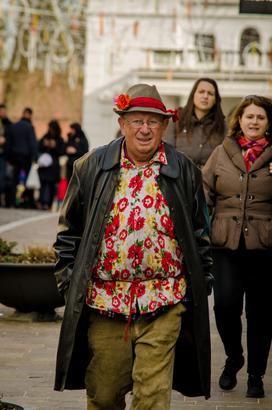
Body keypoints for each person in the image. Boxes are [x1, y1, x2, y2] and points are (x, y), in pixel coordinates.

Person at [53, 83, 214, 409]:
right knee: (104, 394)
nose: (144, 129)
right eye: (136, 121)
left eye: (152, 121)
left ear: (164, 126)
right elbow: (68, 234)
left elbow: (200, 234)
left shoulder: (183, 170)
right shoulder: (92, 166)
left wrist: (200, 283)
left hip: (164, 301)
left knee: (152, 397)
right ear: (122, 123)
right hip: (105, 303)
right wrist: (71, 284)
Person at [202, 95, 272, 398]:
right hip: (224, 243)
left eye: (260, 117)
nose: (254, 121)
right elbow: (204, 191)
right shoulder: (222, 152)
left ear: (268, 123)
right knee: (225, 305)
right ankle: (234, 357)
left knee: (261, 313)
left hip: (265, 246)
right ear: (239, 120)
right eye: (249, 116)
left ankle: (256, 374)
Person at [166, 78, 225, 168]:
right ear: (193, 95)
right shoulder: (176, 121)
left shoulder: (223, 126)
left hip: (209, 180)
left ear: (215, 99)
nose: (205, 96)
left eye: (210, 93)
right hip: (180, 178)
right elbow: (167, 154)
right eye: (201, 92)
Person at [6, 107, 37, 208]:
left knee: (14, 180)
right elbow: (32, 143)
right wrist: (34, 158)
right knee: (28, 180)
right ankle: (27, 202)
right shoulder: (29, 127)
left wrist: (9, 158)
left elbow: (8, 144)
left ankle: (11, 202)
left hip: (14, 157)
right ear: (29, 114)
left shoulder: (13, 126)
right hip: (26, 157)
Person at [37, 120, 65, 210]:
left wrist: (55, 146)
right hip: (44, 166)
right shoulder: (45, 137)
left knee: (51, 185)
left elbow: (62, 151)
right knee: (43, 184)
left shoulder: (59, 139)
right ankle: (42, 202)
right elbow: (39, 147)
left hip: (53, 166)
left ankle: (48, 203)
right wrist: (44, 144)